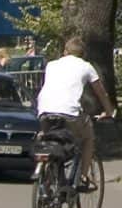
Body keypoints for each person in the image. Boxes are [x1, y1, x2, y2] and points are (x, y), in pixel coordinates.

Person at [34, 47, 115, 190]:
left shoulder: (51, 65)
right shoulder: (86, 66)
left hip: (44, 112)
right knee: (88, 137)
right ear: (83, 54)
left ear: (65, 51)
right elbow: (101, 92)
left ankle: (49, 182)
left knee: (52, 141)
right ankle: (84, 177)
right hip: (69, 114)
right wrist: (109, 111)